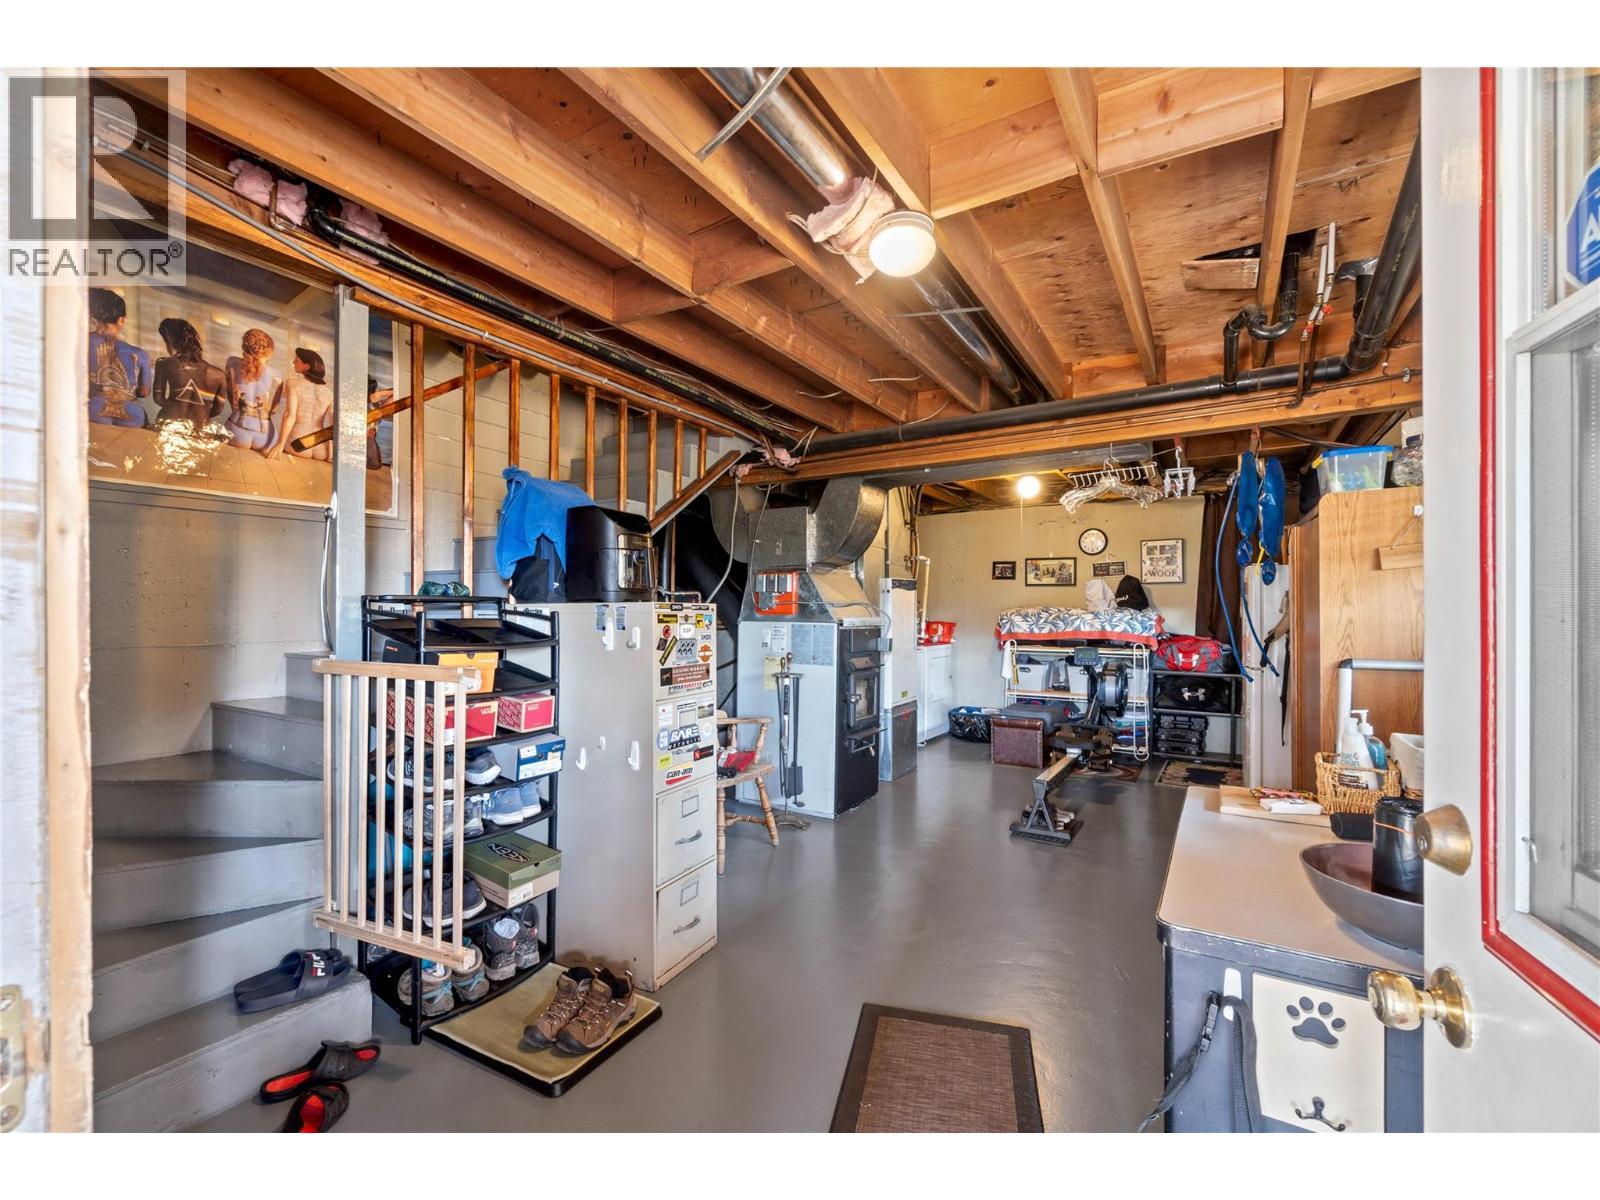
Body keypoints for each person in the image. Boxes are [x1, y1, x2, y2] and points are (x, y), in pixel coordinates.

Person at [87, 288, 152, 427]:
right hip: (133, 415)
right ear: (121, 319)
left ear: (95, 317)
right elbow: (144, 392)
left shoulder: (83, 342)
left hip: (95, 408)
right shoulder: (140, 354)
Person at [150, 318, 227, 435]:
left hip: (169, 424)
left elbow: (158, 399)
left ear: (170, 342)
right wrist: (198, 412)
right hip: (199, 429)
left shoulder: (163, 363)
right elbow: (217, 410)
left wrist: (176, 407)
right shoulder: (219, 375)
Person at [267, 347, 333, 461]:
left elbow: (289, 415)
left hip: (298, 445)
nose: (293, 362)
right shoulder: (329, 393)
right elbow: (334, 424)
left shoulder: (293, 384)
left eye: (297, 360)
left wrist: (280, 444)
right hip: (323, 450)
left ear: (306, 366)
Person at [224, 328, 283, 451]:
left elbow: (231, 397)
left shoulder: (232, 362)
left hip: (236, 430)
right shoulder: (277, 375)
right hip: (266, 437)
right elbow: (274, 411)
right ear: (269, 352)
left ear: (245, 347)